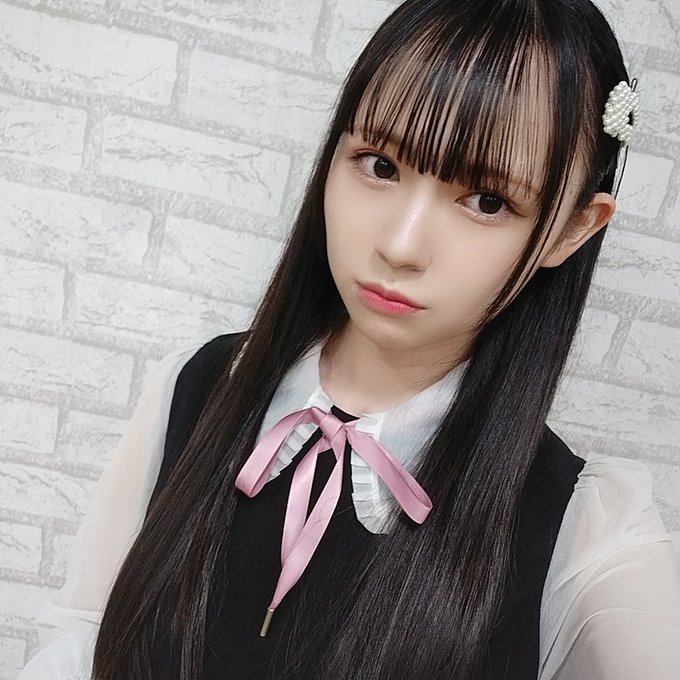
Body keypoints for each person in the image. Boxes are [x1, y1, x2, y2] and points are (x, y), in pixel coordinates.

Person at [17, 0, 680, 678]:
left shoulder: (580, 530)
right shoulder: (194, 387)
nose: (400, 245)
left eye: (488, 201)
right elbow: (83, 641)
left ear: (572, 229)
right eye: (380, 165)